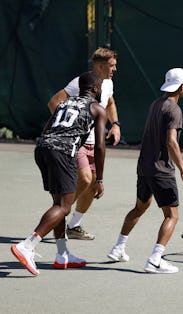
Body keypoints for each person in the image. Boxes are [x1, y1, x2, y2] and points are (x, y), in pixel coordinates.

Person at [11, 72, 107, 276]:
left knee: (59, 203)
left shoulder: (64, 103)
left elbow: (48, 128)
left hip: (43, 149)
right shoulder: (97, 108)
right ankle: (27, 245)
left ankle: (62, 255)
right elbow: (100, 146)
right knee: (64, 206)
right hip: (63, 153)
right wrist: (99, 179)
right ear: (96, 89)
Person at [107, 68, 183, 274]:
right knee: (172, 216)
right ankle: (155, 259)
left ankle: (118, 248)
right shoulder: (174, 110)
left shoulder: (156, 104)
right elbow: (172, 141)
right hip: (161, 170)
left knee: (139, 207)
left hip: (144, 167)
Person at [47, 48, 120, 240]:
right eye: (112, 65)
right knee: (86, 179)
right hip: (77, 143)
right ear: (101, 65)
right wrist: (69, 129)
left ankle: (74, 225)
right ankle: (59, 212)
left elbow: (110, 103)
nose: (115, 68)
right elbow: (54, 102)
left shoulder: (108, 83)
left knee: (93, 186)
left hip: (94, 143)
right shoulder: (78, 83)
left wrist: (116, 125)